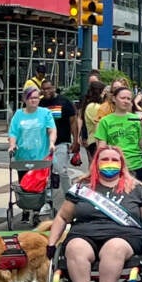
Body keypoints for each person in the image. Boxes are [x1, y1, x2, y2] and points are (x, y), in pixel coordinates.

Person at [45, 146, 142, 282]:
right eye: (105, 160)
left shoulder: (137, 189)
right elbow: (62, 217)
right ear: (96, 163)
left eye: (114, 160)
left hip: (125, 235)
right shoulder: (80, 188)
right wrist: (51, 244)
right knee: (75, 248)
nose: (109, 164)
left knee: (113, 248)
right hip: (85, 233)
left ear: (122, 164)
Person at [8, 86, 56, 222]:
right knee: (24, 184)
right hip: (22, 155)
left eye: (36, 98)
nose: (34, 101)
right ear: (25, 99)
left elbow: (51, 130)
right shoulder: (18, 114)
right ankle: (25, 209)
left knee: (38, 185)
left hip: (40, 155)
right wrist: (12, 145)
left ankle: (36, 211)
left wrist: (52, 142)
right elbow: (13, 132)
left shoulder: (45, 113)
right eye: (31, 98)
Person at [39, 79, 80, 214]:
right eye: (44, 89)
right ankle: (48, 200)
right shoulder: (40, 103)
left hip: (62, 141)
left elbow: (73, 122)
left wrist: (75, 140)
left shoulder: (64, 102)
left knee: (61, 170)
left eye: (49, 88)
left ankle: (69, 196)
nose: (46, 92)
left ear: (54, 88)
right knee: (46, 173)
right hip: (44, 143)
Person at [94, 87, 142, 182]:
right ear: (114, 99)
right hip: (114, 166)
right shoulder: (105, 121)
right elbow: (101, 148)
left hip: (136, 165)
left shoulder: (136, 119)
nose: (126, 101)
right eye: (122, 98)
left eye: (128, 99)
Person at [81, 80, 106, 161]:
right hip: (95, 142)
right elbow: (100, 123)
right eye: (104, 91)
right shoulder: (94, 107)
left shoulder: (97, 106)